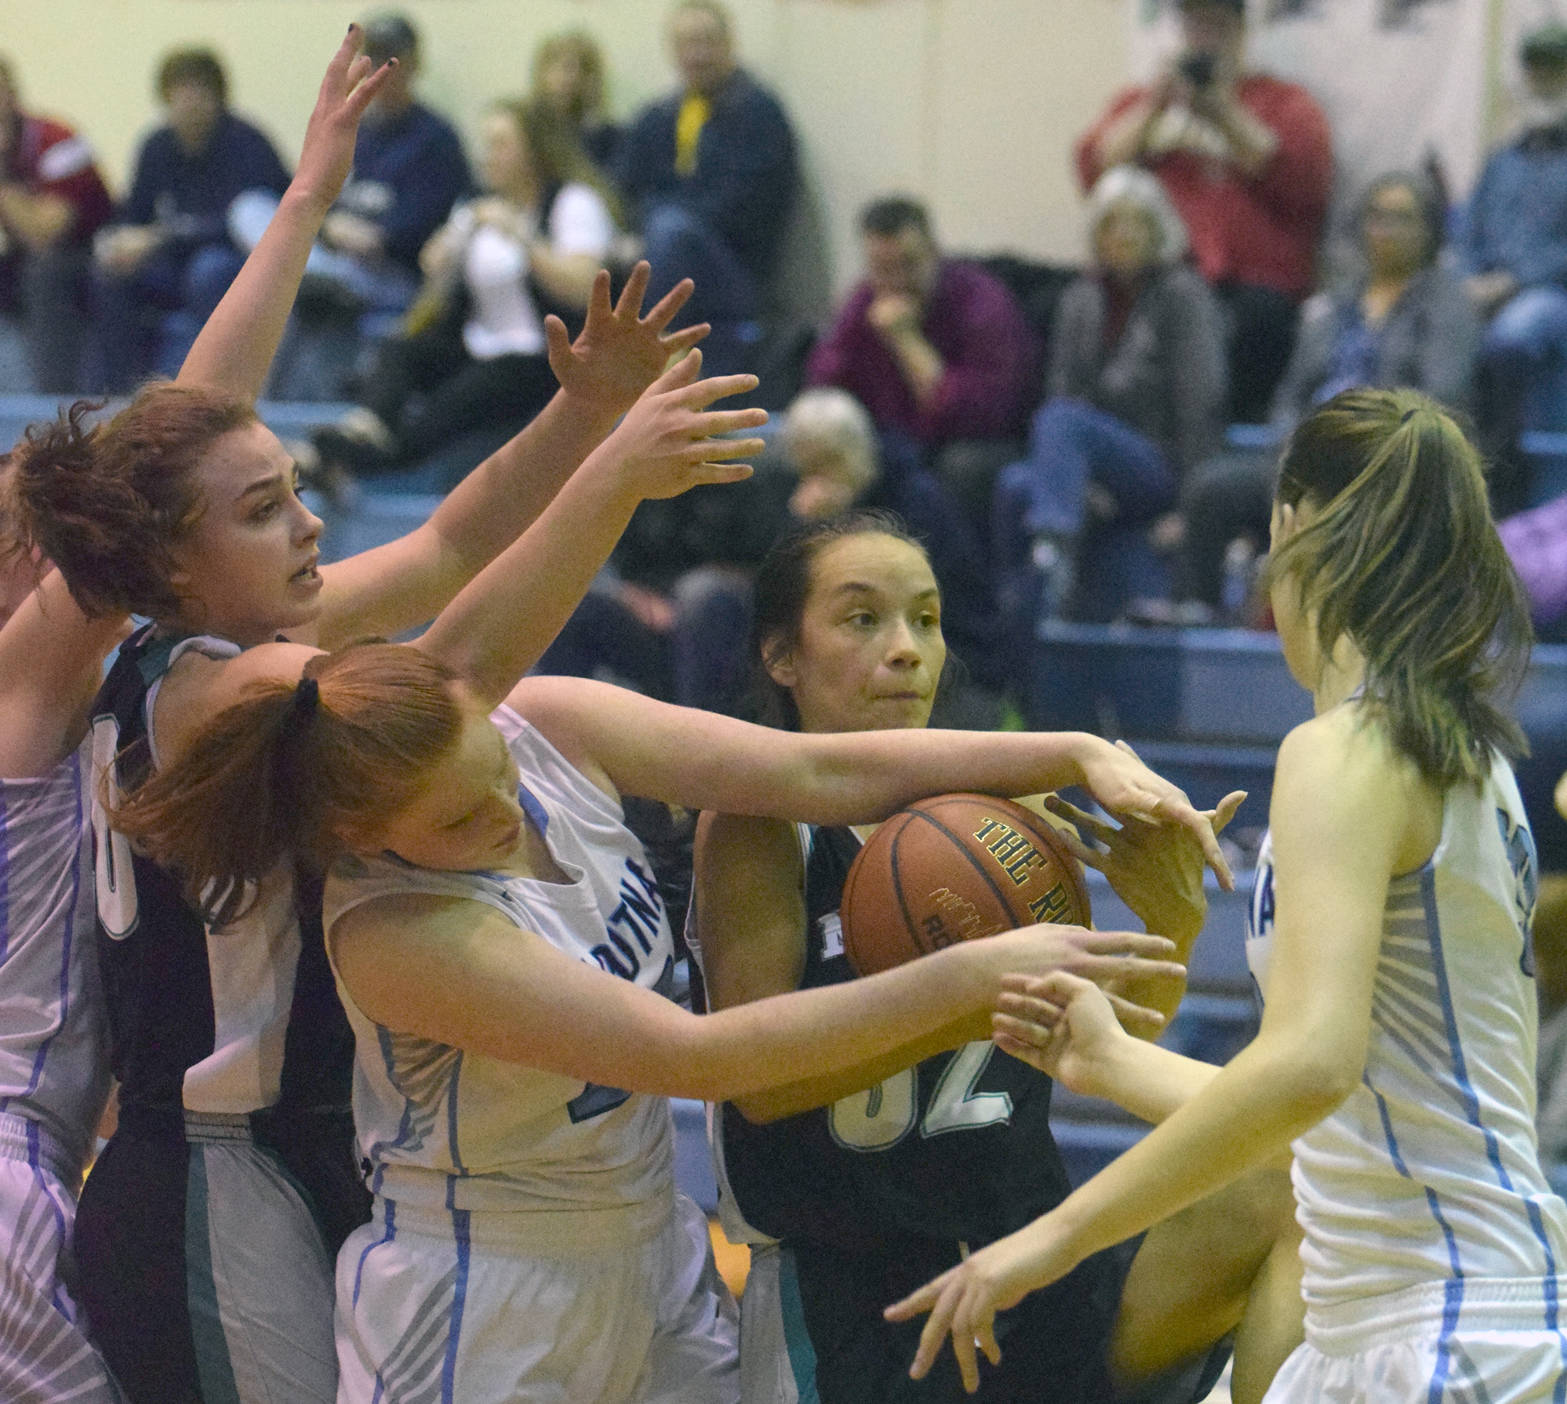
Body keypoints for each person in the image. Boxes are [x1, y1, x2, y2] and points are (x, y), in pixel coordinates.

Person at [14, 37, 750, 1404]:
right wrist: (612, 474)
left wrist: (573, 412)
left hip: (290, 1150)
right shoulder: (200, 685)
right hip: (203, 1173)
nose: (308, 522)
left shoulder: (234, 637)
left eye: (295, 492)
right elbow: (448, 678)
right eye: (262, 511)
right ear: (168, 567)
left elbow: (447, 544)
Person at [101, 571, 1227, 1401]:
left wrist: (1070, 751)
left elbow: (814, 770)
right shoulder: (395, 932)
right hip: (482, 1293)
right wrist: (974, 974)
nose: (506, 815)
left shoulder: (547, 727)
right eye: (459, 818)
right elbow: (700, 1058)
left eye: (493, 775)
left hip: (652, 1243)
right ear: (359, 834)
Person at [890, 389, 1566, 1404]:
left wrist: (1050, 1239)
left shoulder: (1346, 749)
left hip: (1433, 1317)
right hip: (1429, 1298)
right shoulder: (1463, 755)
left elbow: (1311, 1066)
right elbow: (1353, 1111)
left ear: (1293, 531)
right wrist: (1114, 1060)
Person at [691, 511, 1311, 1404]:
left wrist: (1171, 921)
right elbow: (759, 1082)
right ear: (782, 656)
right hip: (856, 1288)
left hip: (1027, 1248)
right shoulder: (754, 824)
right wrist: (964, 990)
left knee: (1290, 1192)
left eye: (928, 619)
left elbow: (1117, 1033)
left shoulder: (1002, 817)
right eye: (863, 619)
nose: (906, 649)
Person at [0, 28, 400, 1403]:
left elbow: (171, 439)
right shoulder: (26, 685)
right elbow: (169, 438)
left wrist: (303, 201)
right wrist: (301, 206)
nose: (43, 527)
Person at [1171, 170, 1478, 622]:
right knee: (1210, 491)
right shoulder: (1333, 305)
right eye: (1376, 216)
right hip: (1310, 463)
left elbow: (1441, 395)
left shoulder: (1449, 306)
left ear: (1429, 229)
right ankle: (1198, 617)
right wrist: (1292, 450)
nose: (1384, 229)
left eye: (1400, 218)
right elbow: (1293, 393)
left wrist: (1363, 443)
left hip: (1392, 464)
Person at [309, 98, 621, 482]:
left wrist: (523, 238)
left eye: (500, 144)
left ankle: (364, 458)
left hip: (541, 358)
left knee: (455, 401)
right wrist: (441, 261)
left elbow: (584, 289)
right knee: (400, 352)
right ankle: (362, 428)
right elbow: (438, 294)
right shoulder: (475, 206)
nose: (488, 155)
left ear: (534, 150)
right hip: (477, 343)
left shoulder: (573, 202)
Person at [1075, 0, 1332, 423]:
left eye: (1215, 23)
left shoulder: (1285, 104)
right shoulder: (1143, 103)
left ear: (1241, 31)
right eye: (1194, 22)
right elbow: (1093, 172)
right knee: (1071, 304)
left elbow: (1305, 181)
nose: (1204, 36)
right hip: (1149, 286)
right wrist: (1154, 108)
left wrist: (1221, 111)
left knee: (1247, 324)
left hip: (1247, 293)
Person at [991, 165, 1225, 627]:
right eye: (1111, 224)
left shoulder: (1183, 294)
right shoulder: (1080, 297)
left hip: (1160, 465)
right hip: (1090, 469)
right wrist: (1080, 482)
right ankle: (1021, 643)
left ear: (1159, 230)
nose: (1123, 235)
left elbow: (1203, 402)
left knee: (1061, 420)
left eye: (1136, 223)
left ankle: (1053, 553)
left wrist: (1191, 508)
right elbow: (1063, 384)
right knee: (1014, 487)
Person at [228, 11, 471, 335]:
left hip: (389, 270)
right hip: (328, 254)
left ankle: (308, 278)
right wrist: (329, 227)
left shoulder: (437, 138)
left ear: (415, 64)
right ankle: (312, 277)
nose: (385, 69)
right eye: (378, 58)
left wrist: (377, 238)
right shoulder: (350, 127)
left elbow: (432, 222)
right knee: (249, 207)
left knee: (283, 296)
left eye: (394, 59)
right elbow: (312, 195)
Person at [804, 197, 1035, 520]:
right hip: (892, 442)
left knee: (954, 467)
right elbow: (823, 384)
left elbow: (979, 416)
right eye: (883, 269)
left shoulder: (983, 304)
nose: (896, 281)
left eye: (909, 264)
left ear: (934, 253)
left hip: (971, 444)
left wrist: (907, 340)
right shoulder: (864, 301)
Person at [89, 46, 290, 392]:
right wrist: (117, 242)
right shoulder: (156, 146)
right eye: (180, 92)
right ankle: (117, 393)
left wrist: (162, 237)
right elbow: (135, 213)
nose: (189, 102)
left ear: (218, 97)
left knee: (209, 270)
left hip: (236, 261)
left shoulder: (247, 143)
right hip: (173, 261)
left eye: (199, 91)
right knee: (110, 274)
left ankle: (210, 389)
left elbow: (246, 223)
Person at [614, 0, 798, 354]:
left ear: (730, 44)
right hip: (661, 250)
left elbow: (738, 209)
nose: (696, 55)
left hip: (735, 273)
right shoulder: (661, 115)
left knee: (670, 230)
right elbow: (623, 184)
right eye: (686, 44)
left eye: (706, 42)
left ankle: (641, 351)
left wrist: (655, 221)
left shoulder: (759, 114)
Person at [1464, 21, 1567, 509]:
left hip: (1552, 296)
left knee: (1514, 333)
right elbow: (1470, 232)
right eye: (1538, 73)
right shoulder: (1502, 161)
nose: (1546, 84)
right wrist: (1469, 280)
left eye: (1558, 73)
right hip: (1488, 292)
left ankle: (1501, 472)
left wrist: (1513, 282)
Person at [0, 56, 112, 393]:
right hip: (30, 255)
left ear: (11, 94)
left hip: (88, 254)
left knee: (44, 274)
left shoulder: (58, 140)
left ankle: (54, 403)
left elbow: (44, 235)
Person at [531, 28, 620, 170]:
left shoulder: (608, 138)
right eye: (557, 68)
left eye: (580, 69)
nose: (566, 79)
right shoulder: (527, 135)